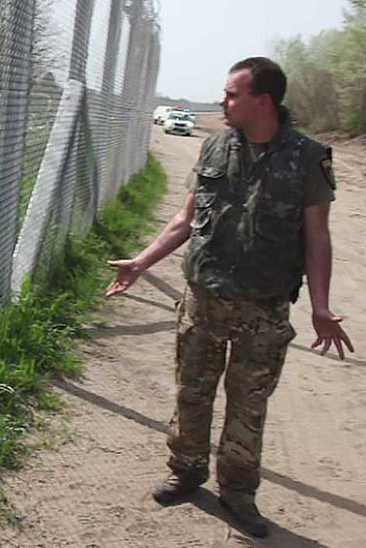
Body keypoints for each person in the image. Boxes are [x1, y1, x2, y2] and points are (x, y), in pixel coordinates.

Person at [105, 57, 355, 538]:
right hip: (204, 298)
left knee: (248, 403)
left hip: (263, 307)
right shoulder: (215, 146)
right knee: (192, 390)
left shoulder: (309, 158)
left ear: (262, 101)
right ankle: (186, 471)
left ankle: (238, 493)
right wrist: (141, 261)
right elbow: (183, 220)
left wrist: (321, 306)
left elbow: (318, 236)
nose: (222, 101)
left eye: (231, 94)